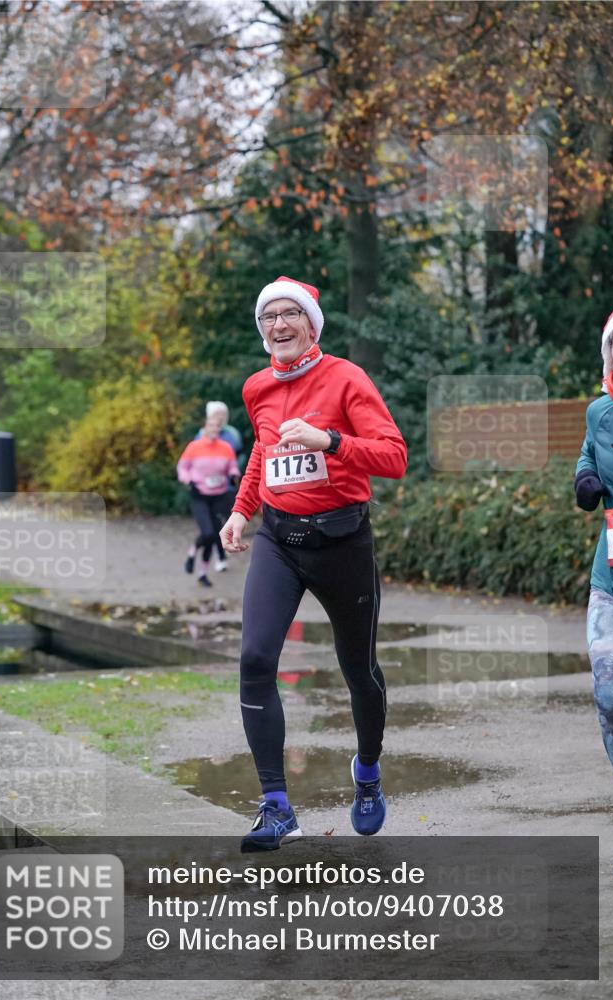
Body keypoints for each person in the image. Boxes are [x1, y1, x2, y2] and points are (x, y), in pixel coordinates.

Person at [220, 275, 407, 851]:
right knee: (254, 659)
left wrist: (330, 440)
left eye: (289, 315)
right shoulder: (257, 388)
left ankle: (368, 773)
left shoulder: (347, 379)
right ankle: (276, 806)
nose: (278, 325)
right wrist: (240, 510)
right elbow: (263, 449)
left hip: (343, 542)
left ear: (310, 325)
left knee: (358, 669)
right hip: (278, 541)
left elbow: (395, 457)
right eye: (268, 317)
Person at [574, 304, 613, 880]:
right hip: (611, 577)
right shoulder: (599, 412)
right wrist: (585, 478)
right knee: (610, 695)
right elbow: (590, 456)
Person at [177, 415, 240, 586]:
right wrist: (187, 480)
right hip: (199, 495)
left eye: (217, 426)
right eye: (211, 426)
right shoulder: (194, 447)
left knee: (214, 535)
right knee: (208, 533)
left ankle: (202, 574)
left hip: (219, 496)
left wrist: (234, 474)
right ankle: (192, 552)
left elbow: (232, 466)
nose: (214, 429)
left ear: (220, 429)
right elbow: (182, 467)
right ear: (205, 428)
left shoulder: (226, 447)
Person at [195, 401, 245, 569]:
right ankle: (220, 555)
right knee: (213, 523)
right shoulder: (201, 435)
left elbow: (240, 456)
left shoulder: (232, 434)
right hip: (206, 489)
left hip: (227, 487)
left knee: (225, 519)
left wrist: (233, 471)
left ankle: (225, 547)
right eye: (216, 415)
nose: (220, 418)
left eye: (223, 415)